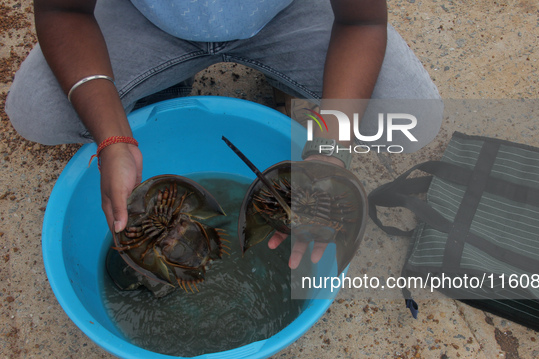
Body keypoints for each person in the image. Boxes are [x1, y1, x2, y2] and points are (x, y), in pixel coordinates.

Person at [5, 0, 441, 268]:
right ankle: (165, 81)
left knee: (410, 117)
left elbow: (361, 21)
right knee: (37, 111)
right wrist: (113, 137)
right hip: (146, 19)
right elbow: (62, 9)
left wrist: (328, 151)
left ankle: (302, 89)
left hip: (284, 15)